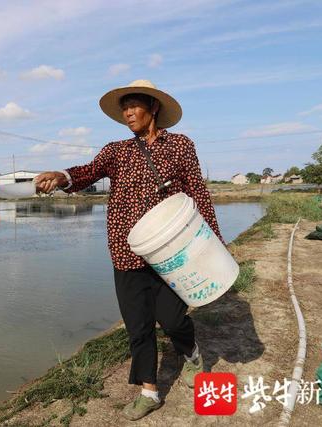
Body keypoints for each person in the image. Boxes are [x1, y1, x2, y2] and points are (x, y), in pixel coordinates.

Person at [35, 79, 224, 420]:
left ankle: (191, 352)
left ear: (153, 108)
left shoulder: (180, 146)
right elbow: (87, 172)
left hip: (171, 251)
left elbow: (198, 192)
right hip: (126, 251)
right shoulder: (117, 151)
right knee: (138, 326)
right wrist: (61, 177)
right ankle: (149, 391)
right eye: (124, 108)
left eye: (135, 105)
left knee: (171, 318)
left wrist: (215, 245)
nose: (128, 113)